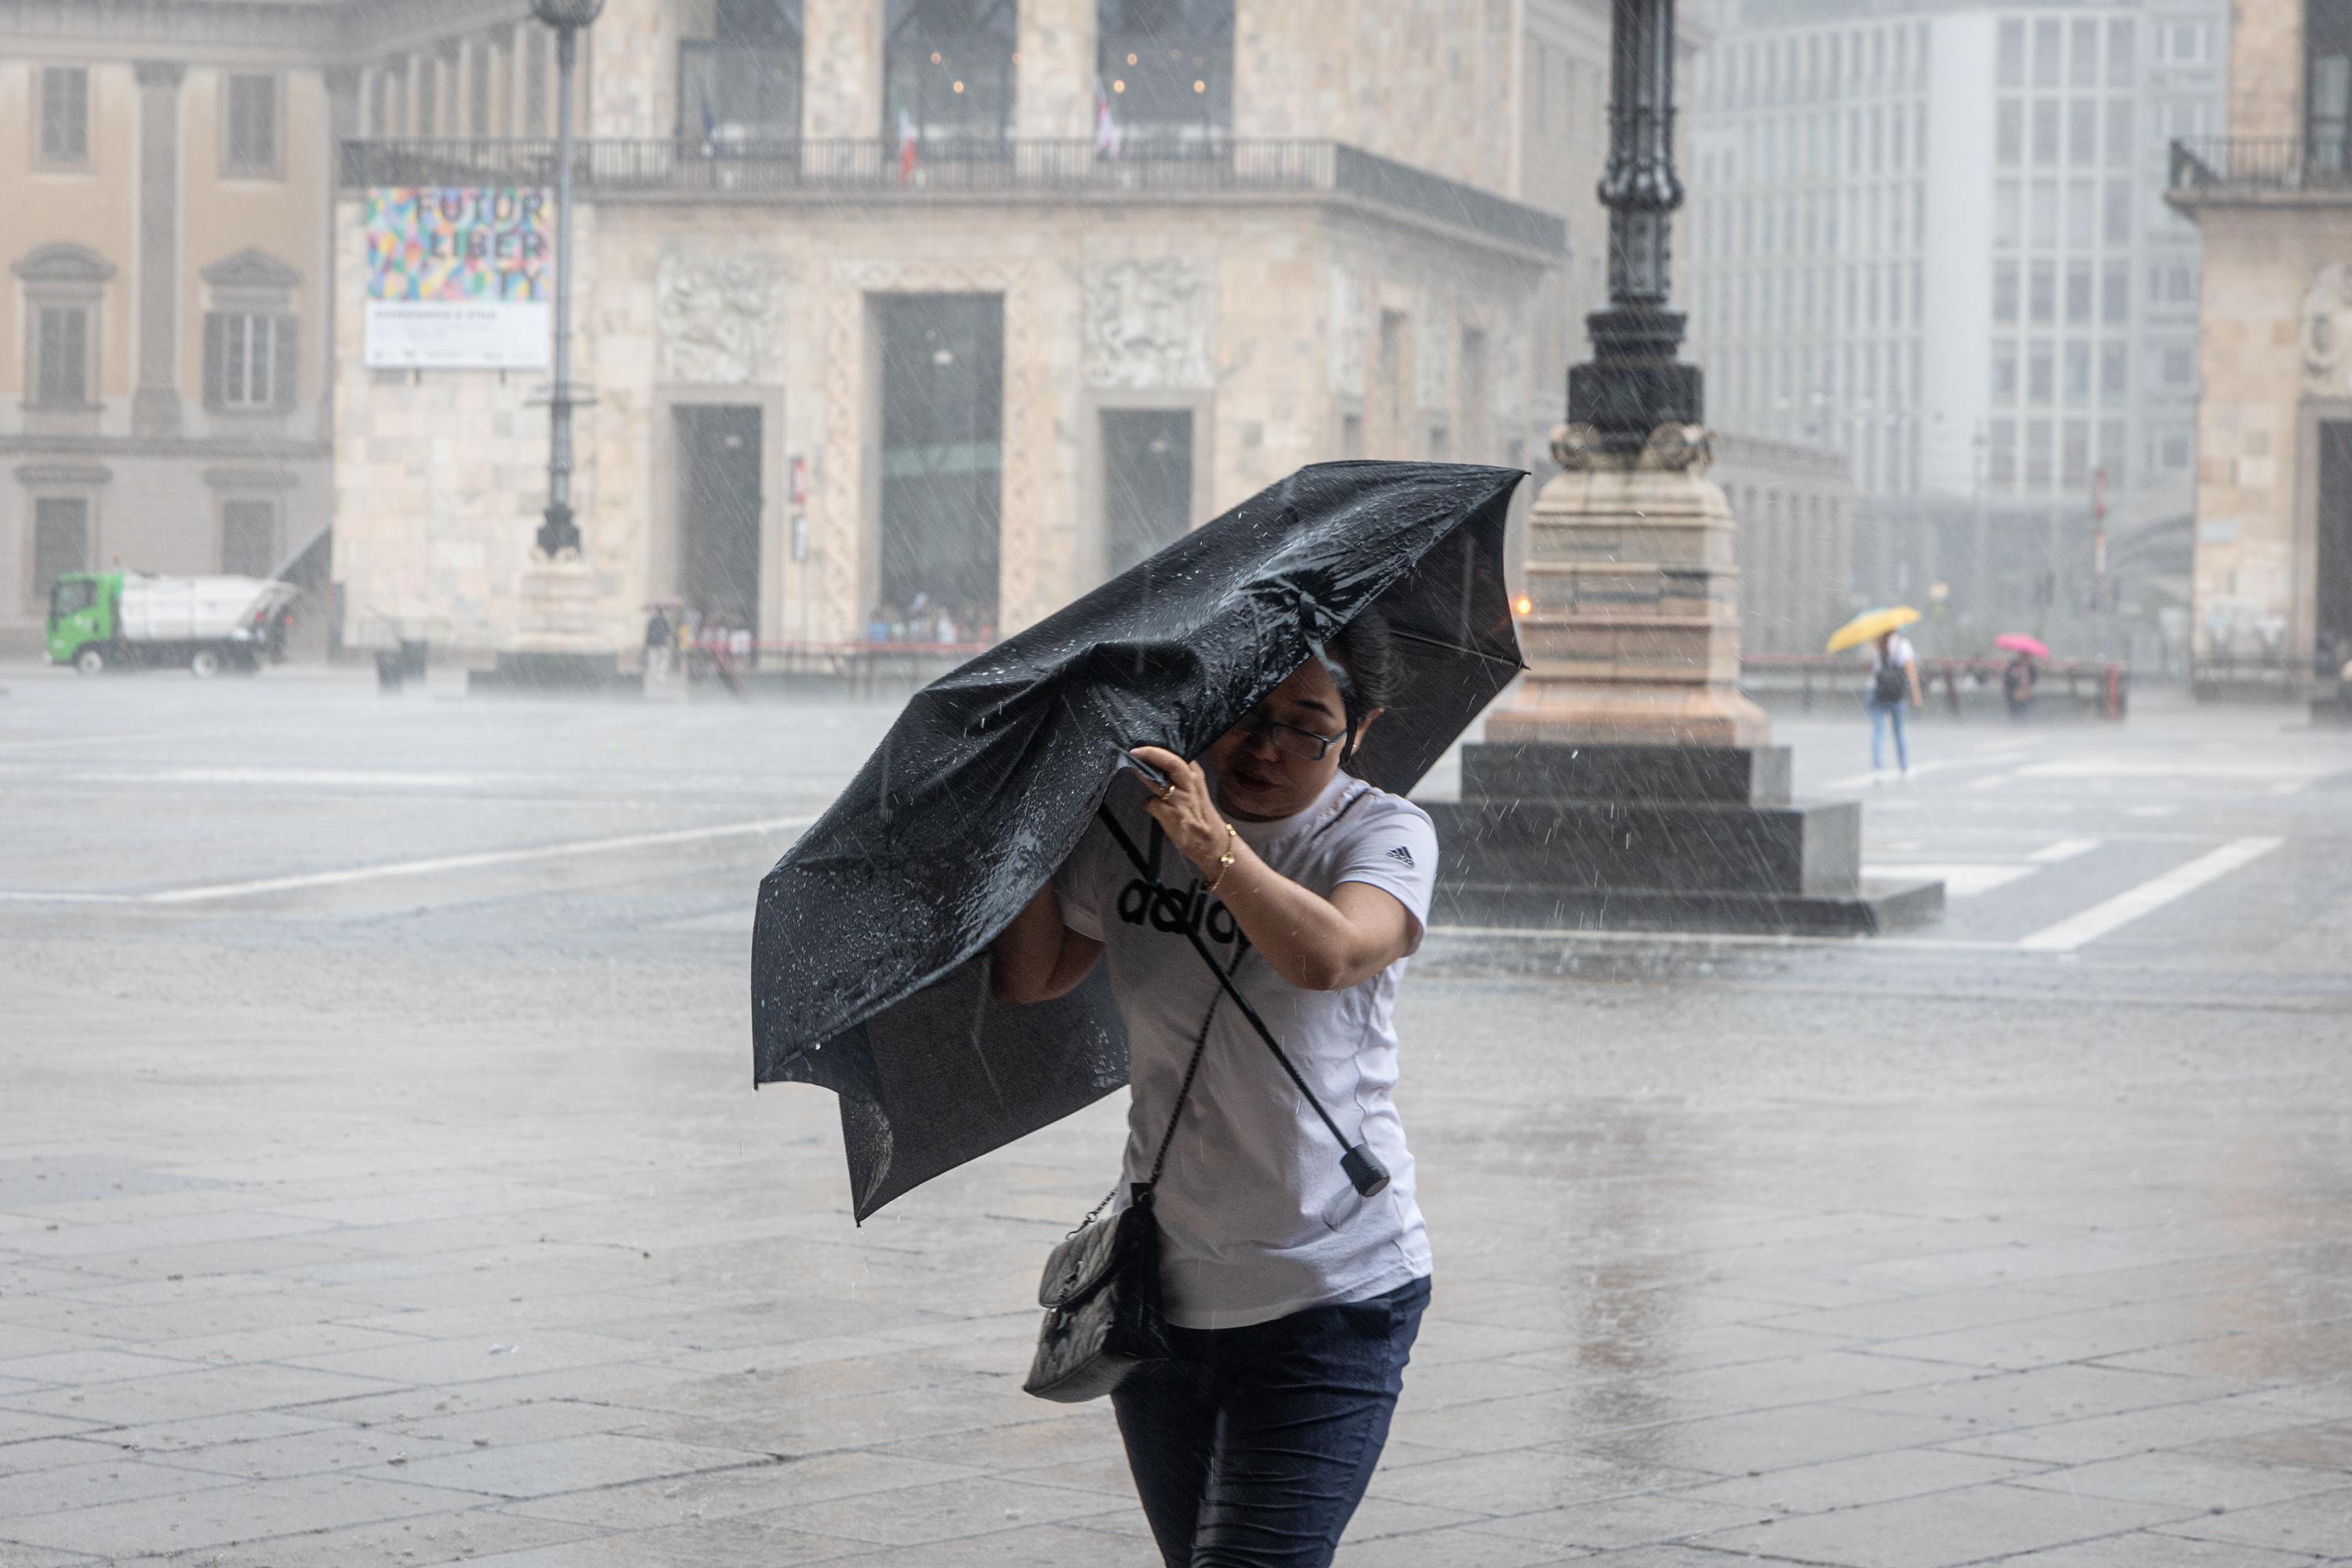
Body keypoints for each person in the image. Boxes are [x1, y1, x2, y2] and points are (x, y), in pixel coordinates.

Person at [991, 612, 1434, 1568]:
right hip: (1163, 1292)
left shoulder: (1382, 832)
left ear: (1362, 727)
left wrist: (1213, 845)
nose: (1264, 744)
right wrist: (1032, 808)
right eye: (1245, 710)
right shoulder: (1135, 820)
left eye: (1306, 723)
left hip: (1333, 1288)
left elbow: (1328, 954)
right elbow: (1030, 975)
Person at [1867, 626, 1921, 777]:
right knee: (1899, 732)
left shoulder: (1875, 645)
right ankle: (1903, 767)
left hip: (1877, 692)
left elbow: (1868, 668)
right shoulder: (1902, 645)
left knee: (1878, 731)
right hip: (1896, 693)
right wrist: (1915, 693)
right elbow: (1910, 668)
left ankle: (1877, 768)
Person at [2002, 649, 2038, 722]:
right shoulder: (2013, 665)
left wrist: (2028, 685)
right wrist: (2015, 675)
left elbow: (2035, 678)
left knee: (2025, 712)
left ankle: (2024, 727)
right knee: (2014, 712)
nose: (2026, 657)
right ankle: (2014, 727)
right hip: (2014, 693)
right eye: (2024, 655)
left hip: (2026, 692)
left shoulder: (2031, 666)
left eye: (2027, 656)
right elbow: (2007, 678)